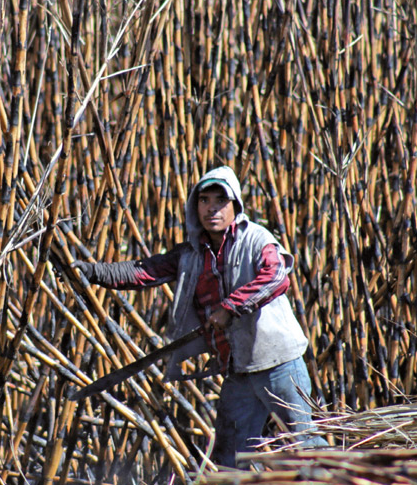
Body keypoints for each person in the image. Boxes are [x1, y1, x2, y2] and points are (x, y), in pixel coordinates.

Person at [72, 166, 328, 467]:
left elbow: (276, 276)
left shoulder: (257, 240)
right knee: (231, 456)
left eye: (221, 201)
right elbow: (145, 271)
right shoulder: (193, 253)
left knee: (305, 443)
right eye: (205, 200)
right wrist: (92, 272)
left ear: (235, 206)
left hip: (280, 363)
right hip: (240, 368)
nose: (212, 209)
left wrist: (230, 307)